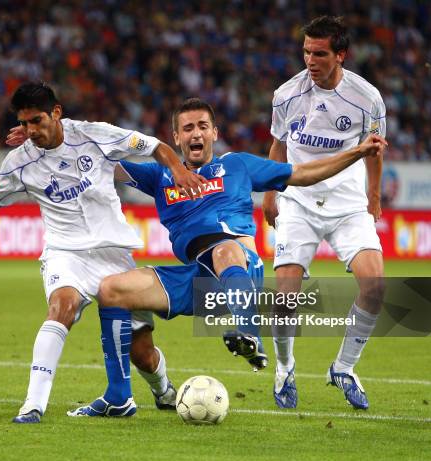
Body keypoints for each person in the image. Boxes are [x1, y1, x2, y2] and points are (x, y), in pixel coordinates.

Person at [0, 81, 207, 423]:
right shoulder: (19, 161)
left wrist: (178, 169)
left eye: (37, 121)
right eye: (25, 123)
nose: (31, 130)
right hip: (65, 252)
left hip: (113, 254)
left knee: (143, 354)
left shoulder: (96, 135)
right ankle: (33, 405)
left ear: (57, 112)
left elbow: (156, 146)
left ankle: (163, 389)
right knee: (62, 305)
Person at [69, 97, 386, 416]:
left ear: (215, 133)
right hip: (198, 282)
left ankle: (249, 333)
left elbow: (304, 173)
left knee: (224, 248)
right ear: (176, 138)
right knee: (110, 289)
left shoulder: (237, 165)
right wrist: (61, 140)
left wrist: (356, 152)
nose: (196, 134)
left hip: (241, 271)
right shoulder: (160, 177)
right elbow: (102, 165)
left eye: (203, 127)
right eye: (188, 128)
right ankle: (118, 398)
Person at [262, 16, 387, 410]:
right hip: (298, 201)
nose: (310, 60)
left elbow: (375, 150)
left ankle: (345, 367)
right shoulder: (286, 94)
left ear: (340, 55)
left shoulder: (368, 98)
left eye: (319, 53)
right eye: (305, 51)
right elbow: (278, 146)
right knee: (285, 298)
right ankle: (284, 369)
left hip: (348, 205)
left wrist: (374, 194)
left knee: (376, 286)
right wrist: (269, 194)